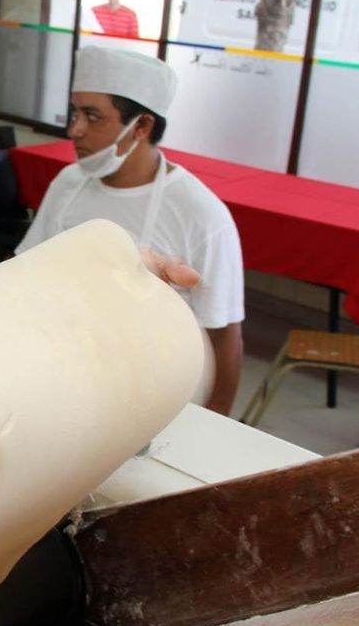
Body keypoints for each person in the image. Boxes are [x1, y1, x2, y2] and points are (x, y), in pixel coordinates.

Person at [16, 46, 244, 415]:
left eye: (92, 117)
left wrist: (216, 422)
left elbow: (224, 335)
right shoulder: (69, 183)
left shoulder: (201, 215)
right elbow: (23, 272)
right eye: (75, 113)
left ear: (141, 126)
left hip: (150, 390)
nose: (75, 129)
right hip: (58, 371)